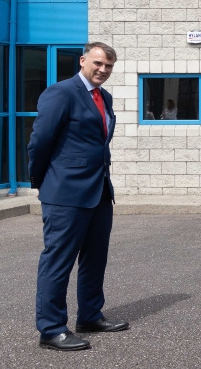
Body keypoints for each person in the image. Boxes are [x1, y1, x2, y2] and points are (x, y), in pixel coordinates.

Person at [28, 41, 127, 351]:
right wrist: (43, 181)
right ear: (83, 60)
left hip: (98, 191)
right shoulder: (62, 92)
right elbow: (40, 141)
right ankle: (51, 329)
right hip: (65, 191)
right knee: (58, 261)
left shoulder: (104, 97)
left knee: (95, 258)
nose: (103, 70)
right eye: (98, 63)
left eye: (109, 66)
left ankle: (90, 316)